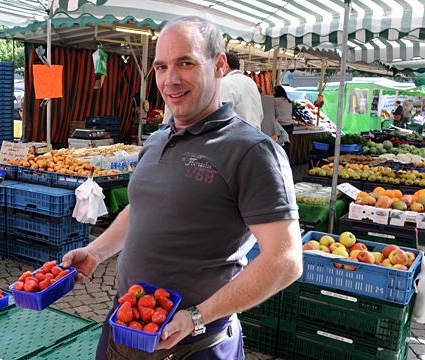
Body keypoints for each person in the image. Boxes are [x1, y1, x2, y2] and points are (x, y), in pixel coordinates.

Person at [62, 16, 302, 360]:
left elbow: (285, 261)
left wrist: (196, 318)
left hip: (195, 345)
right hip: (125, 329)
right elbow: (140, 209)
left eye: (185, 63)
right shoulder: (156, 141)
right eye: (161, 67)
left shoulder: (251, 151)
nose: (170, 80)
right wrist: (96, 252)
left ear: (219, 65)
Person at [219, 52, 264, 130]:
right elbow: (260, 114)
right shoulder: (251, 82)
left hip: (236, 137)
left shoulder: (225, 82)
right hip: (256, 134)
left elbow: (222, 115)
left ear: (226, 66)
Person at [274, 85, 294, 157]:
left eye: (274, 91)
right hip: (290, 125)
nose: (273, 93)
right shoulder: (288, 100)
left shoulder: (277, 100)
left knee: (279, 145)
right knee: (287, 144)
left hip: (281, 125)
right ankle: (287, 160)